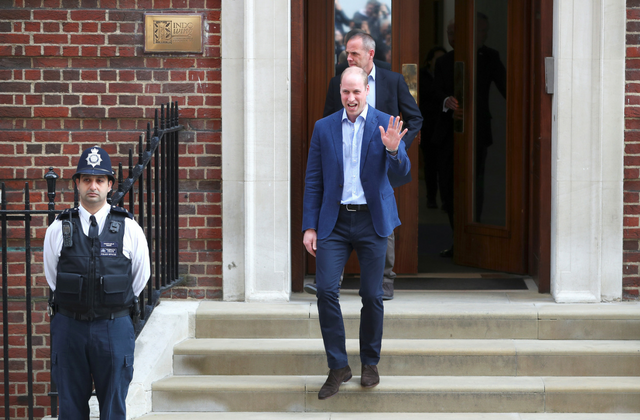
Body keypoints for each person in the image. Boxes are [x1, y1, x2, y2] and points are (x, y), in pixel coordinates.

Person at [302, 66, 410, 400]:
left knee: (372, 295)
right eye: (345, 92)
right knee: (325, 292)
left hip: (371, 221)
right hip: (333, 221)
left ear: (367, 91)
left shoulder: (385, 123)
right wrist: (310, 225)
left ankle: (369, 363)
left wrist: (393, 150)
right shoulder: (324, 128)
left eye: (356, 92)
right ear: (340, 93)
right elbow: (314, 180)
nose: (351, 98)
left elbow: (402, 174)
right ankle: (338, 366)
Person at [306, 30, 422, 300]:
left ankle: (384, 282)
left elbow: (414, 117)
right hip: (346, 168)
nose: (348, 57)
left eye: (354, 53)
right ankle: (331, 280)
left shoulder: (392, 80)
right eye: (347, 52)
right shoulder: (339, 81)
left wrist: (397, 147)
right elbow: (329, 124)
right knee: (340, 217)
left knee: (383, 218)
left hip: (386, 161)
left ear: (370, 54)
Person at [43, 146, 150, 420]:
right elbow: (52, 276)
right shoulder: (58, 228)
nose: (93, 185)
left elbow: (140, 277)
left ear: (110, 185)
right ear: (77, 183)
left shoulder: (129, 229)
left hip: (113, 327)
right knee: (70, 408)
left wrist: (112, 306)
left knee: (114, 408)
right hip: (70, 327)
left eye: (100, 180)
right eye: (87, 179)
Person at [419, 46, 447, 209]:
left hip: (443, 124)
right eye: (437, 59)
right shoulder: (422, 75)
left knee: (444, 164)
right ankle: (431, 198)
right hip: (427, 124)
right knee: (430, 164)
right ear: (429, 61)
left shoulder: (445, 75)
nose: (439, 62)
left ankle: (445, 199)